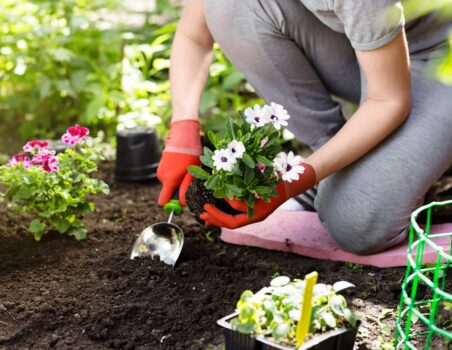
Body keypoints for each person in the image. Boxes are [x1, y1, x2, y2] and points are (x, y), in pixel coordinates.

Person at [156, 0, 452, 255]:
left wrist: (292, 183)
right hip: (373, 53)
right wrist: (182, 129)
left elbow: (388, 100)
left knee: (355, 224)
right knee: (228, 6)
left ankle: (356, 177)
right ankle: (337, 167)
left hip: (440, 57)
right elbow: (194, 35)